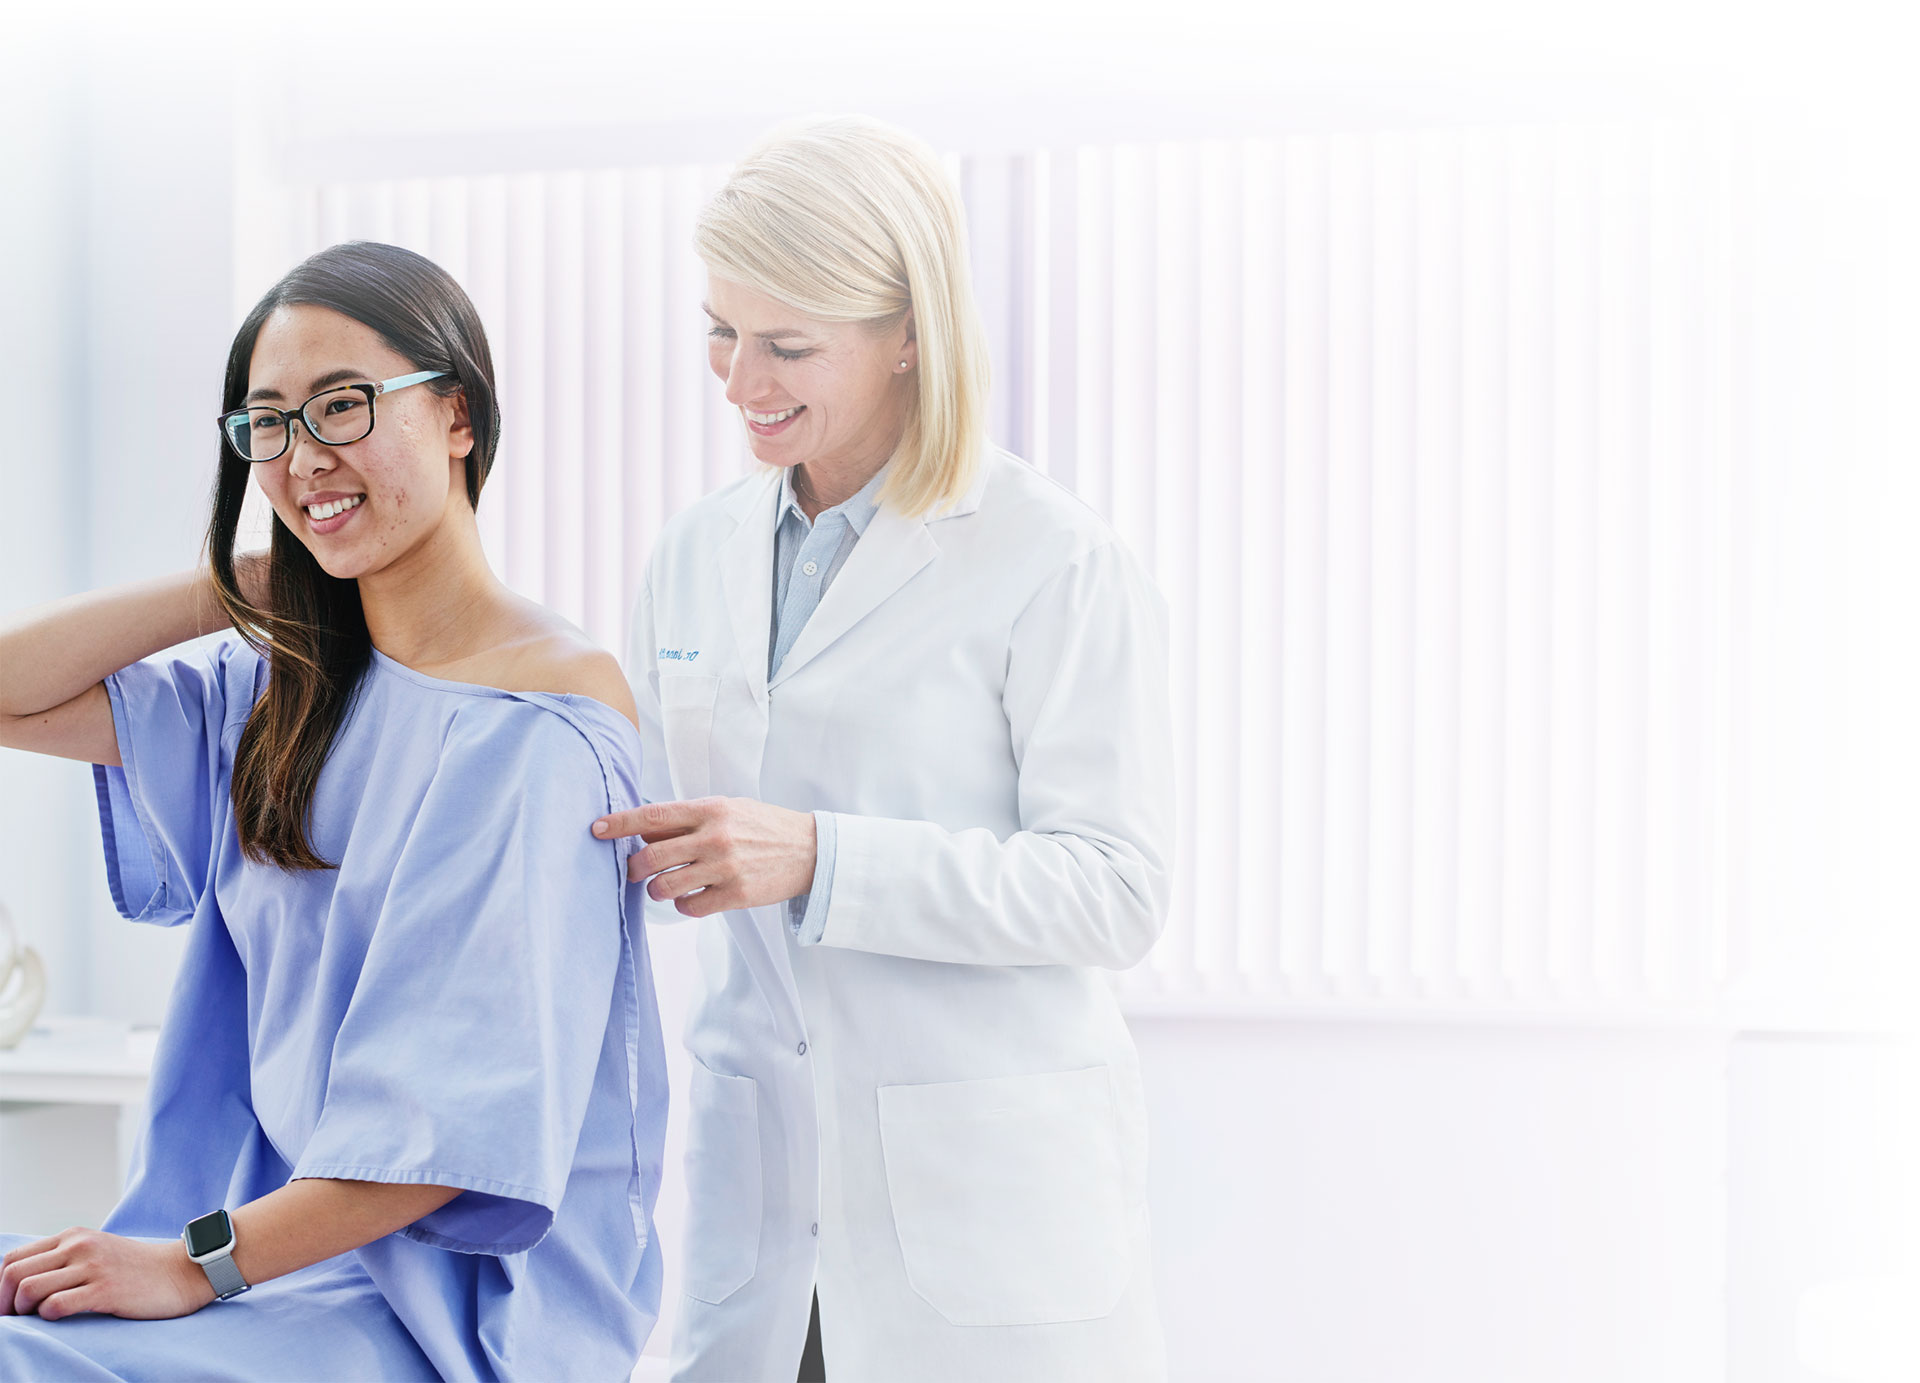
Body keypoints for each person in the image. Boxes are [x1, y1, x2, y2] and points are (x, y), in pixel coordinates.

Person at [0, 242, 668, 1382]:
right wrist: (244, 578)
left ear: (458, 415)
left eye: (342, 408)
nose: (302, 455)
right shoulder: (287, 687)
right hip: (254, 1243)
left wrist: (192, 1265)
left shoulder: (534, 729)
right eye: (266, 424)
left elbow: (445, 1138)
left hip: (435, 1296)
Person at [594, 116, 1173, 1383]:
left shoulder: (1050, 555)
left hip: (985, 1203)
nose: (740, 380)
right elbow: (652, 833)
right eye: (720, 331)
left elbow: (1116, 890)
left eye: (787, 345)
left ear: (910, 332)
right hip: (764, 1188)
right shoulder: (694, 554)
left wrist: (820, 859)